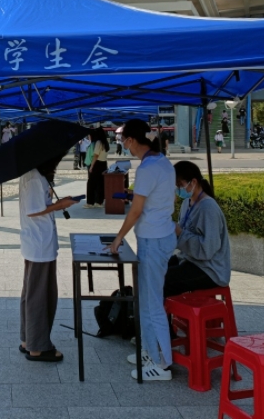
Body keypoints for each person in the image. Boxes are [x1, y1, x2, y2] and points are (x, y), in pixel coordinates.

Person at [105, 118, 176, 381]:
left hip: (153, 240)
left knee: (152, 303)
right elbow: (155, 200)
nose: (124, 145)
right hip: (160, 236)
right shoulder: (161, 161)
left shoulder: (147, 168)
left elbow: (136, 211)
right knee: (145, 300)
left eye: (124, 140)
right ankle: (149, 351)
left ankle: (162, 363)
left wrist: (117, 238)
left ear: (132, 140)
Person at [18, 155, 79, 362]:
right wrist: (60, 205)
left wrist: (56, 201)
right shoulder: (35, 177)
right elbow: (34, 210)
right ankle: (37, 347)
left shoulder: (34, 174)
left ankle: (28, 340)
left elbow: (37, 204)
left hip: (36, 242)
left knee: (32, 292)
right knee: (40, 296)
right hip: (39, 243)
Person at [164, 161, 231, 298]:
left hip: (209, 269)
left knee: (164, 280)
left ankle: (162, 312)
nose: (177, 189)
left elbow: (208, 249)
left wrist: (180, 233)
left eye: (180, 185)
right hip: (189, 259)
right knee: (154, 269)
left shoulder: (208, 208)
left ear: (193, 182)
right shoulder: (186, 203)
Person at [84, 128, 109, 209]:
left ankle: (90, 202)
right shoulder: (105, 142)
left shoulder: (98, 142)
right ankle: (99, 202)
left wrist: (91, 166)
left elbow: (96, 155)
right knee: (100, 183)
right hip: (103, 163)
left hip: (97, 163)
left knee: (91, 183)